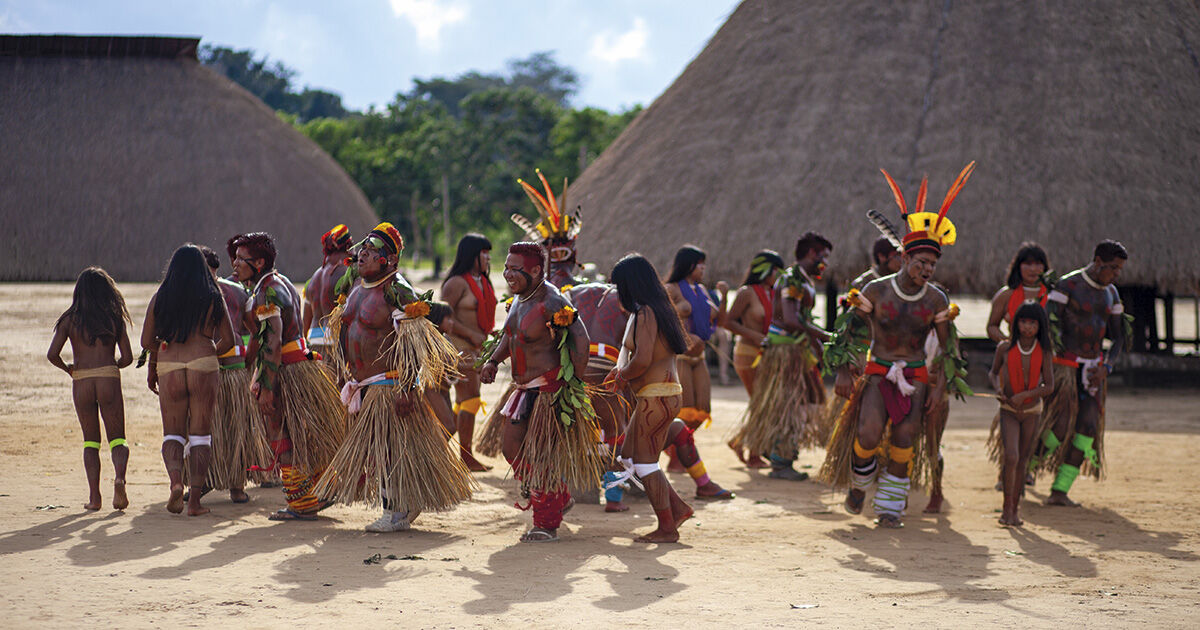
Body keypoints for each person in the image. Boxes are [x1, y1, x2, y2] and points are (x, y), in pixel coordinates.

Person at [821, 162, 974, 528]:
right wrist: (844, 370)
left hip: (918, 374)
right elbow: (850, 333)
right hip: (878, 371)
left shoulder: (936, 300)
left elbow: (948, 348)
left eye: (932, 265)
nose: (927, 270)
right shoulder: (875, 290)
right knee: (868, 434)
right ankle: (859, 486)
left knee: (904, 439)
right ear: (904, 257)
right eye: (921, 262)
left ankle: (890, 507)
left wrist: (939, 388)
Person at [315, 223, 473, 532]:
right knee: (379, 448)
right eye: (363, 249)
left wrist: (407, 387)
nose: (363, 255)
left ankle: (393, 511)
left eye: (373, 252)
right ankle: (405, 503)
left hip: (388, 383)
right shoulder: (357, 286)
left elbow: (412, 344)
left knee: (388, 448)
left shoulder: (397, 289)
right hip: (361, 384)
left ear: (389, 260)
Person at [479, 242, 603, 543]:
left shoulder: (552, 301)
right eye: (506, 267)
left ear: (535, 270)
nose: (508, 273)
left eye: (514, 269)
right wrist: (493, 360)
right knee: (511, 449)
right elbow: (510, 336)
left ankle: (546, 522)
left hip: (549, 391)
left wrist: (571, 384)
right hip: (523, 391)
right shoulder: (520, 300)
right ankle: (557, 496)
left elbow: (581, 340)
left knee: (543, 456)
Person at [230, 232, 347, 521]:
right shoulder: (281, 283)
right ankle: (318, 492)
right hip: (301, 364)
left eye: (240, 260)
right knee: (303, 433)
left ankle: (302, 503)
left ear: (258, 262)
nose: (234, 264)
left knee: (281, 434)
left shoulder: (266, 292)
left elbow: (272, 339)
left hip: (288, 368)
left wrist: (267, 386)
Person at [140, 245, 236, 515]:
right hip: (203, 363)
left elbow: (146, 341)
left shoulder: (161, 297)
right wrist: (207, 352)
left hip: (169, 365)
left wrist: (165, 348)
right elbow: (229, 339)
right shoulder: (212, 296)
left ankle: (175, 483)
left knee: (172, 433)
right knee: (200, 436)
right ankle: (194, 502)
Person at [606, 254, 695, 543]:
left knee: (644, 463)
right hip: (659, 396)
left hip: (656, 398)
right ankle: (677, 509)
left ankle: (667, 527)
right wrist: (620, 373)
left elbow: (642, 360)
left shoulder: (645, 313)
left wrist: (621, 377)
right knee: (629, 456)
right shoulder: (657, 308)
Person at [731, 232, 832, 481]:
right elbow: (790, 319)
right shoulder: (792, 279)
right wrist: (824, 335)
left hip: (796, 350)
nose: (825, 263)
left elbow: (800, 319)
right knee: (788, 405)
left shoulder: (802, 279)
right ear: (811, 253)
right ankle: (780, 461)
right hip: (784, 352)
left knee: (806, 402)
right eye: (823, 256)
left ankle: (779, 454)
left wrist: (816, 343)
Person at [1036, 240, 1129, 507]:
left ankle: (1060, 490)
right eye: (1113, 267)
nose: (1116, 274)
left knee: (1088, 427)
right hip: (1064, 366)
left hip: (1093, 370)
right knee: (1060, 425)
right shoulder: (1068, 285)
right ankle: (1028, 465)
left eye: (1119, 269)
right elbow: (1046, 324)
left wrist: (1106, 367)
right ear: (1098, 261)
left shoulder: (1112, 293)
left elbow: (1119, 338)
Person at [47, 267, 134, 511]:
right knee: (118, 438)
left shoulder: (69, 319)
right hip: (108, 376)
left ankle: (95, 498)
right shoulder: (114, 317)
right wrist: (112, 366)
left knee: (91, 442)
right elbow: (127, 357)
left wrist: (69, 369)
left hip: (81, 380)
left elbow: (52, 354)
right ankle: (119, 479)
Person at [198, 246, 268, 504]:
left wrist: (249, 360)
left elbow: (257, 330)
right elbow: (257, 331)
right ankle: (213, 482)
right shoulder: (235, 291)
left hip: (222, 369)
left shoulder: (233, 292)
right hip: (221, 369)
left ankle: (229, 484)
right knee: (214, 428)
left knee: (232, 428)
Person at [988, 302, 1054, 526]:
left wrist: (1026, 394)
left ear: (1040, 326)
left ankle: (1015, 510)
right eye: (1023, 322)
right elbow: (993, 373)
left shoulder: (1044, 351)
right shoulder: (1004, 348)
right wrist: (998, 389)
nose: (1027, 327)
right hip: (1008, 410)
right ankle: (1006, 508)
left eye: (1032, 323)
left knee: (1023, 460)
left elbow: (1049, 386)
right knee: (1011, 456)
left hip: (1031, 411)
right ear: (1016, 323)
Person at [722, 250, 786, 468]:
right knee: (761, 403)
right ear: (766, 270)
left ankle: (741, 441)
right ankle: (753, 453)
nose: (778, 276)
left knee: (766, 403)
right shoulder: (746, 293)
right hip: (748, 354)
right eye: (776, 271)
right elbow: (728, 322)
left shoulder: (774, 293)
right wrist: (756, 336)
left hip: (768, 356)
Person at [441, 233, 497, 472]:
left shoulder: (485, 282)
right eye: (483, 253)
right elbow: (442, 318)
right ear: (472, 256)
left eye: (488, 253)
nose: (487, 258)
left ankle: (439, 449)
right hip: (457, 350)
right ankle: (465, 455)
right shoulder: (455, 283)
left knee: (465, 400)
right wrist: (469, 334)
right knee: (471, 398)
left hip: (476, 351)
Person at [664, 245, 729, 432]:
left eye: (704, 265)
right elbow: (660, 320)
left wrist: (724, 297)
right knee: (685, 409)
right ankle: (677, 451)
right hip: (680, 357)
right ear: (688, 265)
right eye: (699, 264)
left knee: (702, 409)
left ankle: (682, 447)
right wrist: (686, 336)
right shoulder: (671, 288)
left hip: (699, 357)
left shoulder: (701, 290)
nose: (703, 268)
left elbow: (721, 321)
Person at [302, 224, 353, 362]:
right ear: (348, 247)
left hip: (313, 341)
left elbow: (305, 321)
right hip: (335, 343)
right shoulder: (348, 273)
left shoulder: (314, 277)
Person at [986, 242, 1051, 343]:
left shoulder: (1054, 294)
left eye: (1038, 264)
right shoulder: (1005, 295)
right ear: (1018, 267)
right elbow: (992, 326)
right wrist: (1007, 343)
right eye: (1028, 264)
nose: (1033, 269)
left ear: (1044, 267)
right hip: (1016, 354)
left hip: (1048, 353)